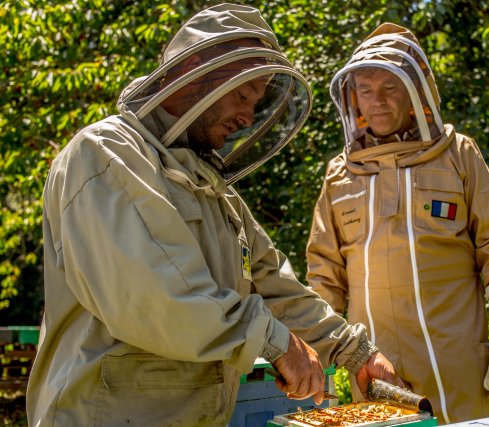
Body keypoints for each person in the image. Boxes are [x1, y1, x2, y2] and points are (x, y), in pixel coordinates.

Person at [26, 4, 403, 426]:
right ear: (194, 68)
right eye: (244, 94)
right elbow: (159, 299)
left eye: (256, 104)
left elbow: (273, 286)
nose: (246, 119)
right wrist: (278, 343)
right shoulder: (106, 154)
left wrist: (354, 352)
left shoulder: (212, 189)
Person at [306, 23, 489, 424]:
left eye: (390, 87)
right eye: (366, 90)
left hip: (455, 364)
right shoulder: (339, 174)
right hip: (373, 369)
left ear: (415, 93)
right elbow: (325, 275)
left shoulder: (458, 155)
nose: (378, 102)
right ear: (352, 98)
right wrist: (321, 358)